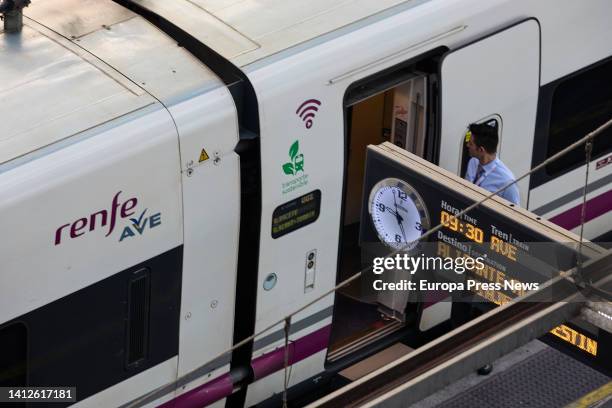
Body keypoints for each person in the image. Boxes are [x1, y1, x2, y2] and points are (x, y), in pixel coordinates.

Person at [464, 123, 520, 205]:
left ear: (481, 150)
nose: (467, 145)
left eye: (470, 144)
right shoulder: (472, 162)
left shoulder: (507, 183)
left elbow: (514, 214)